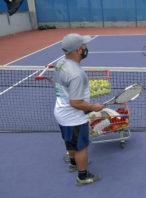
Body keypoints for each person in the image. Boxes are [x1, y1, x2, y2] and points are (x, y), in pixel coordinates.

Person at [54, 33, 105, 186]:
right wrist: (93, 107)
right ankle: (83, 177)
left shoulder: (60, 62)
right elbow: (76, 102)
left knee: (69, 140)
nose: (85, 48)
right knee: (81, 147)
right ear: (77, 50)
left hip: (61, 113)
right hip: (74, 117)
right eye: (84, 46)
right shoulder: (76, 74)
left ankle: (73, 162)